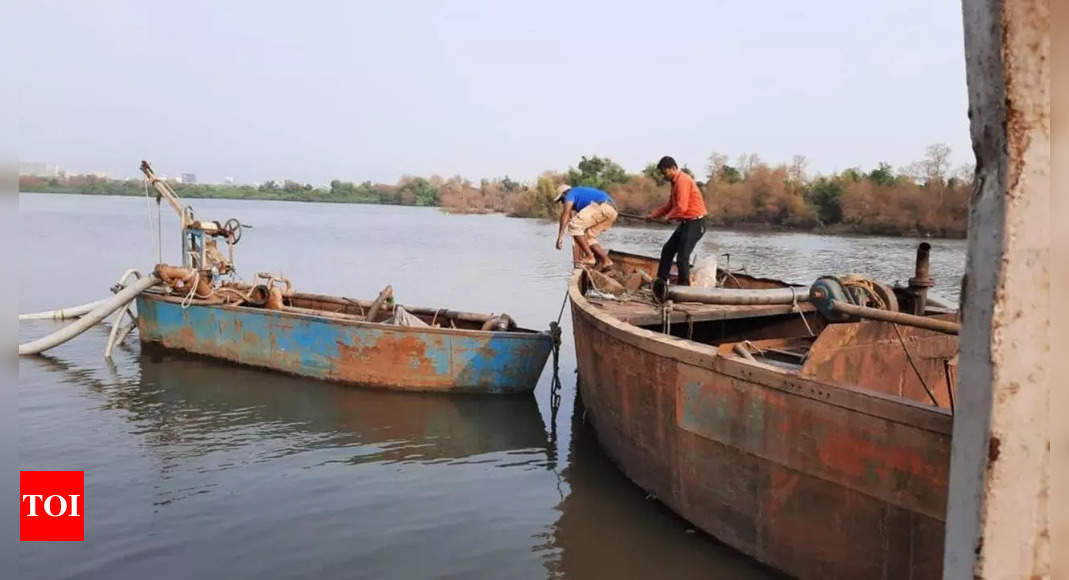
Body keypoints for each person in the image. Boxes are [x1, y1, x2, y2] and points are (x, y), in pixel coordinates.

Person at [649, 156, 707, 285]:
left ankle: (684, 288)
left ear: (673, 168)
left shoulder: (683, 181)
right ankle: (661, 283)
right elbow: (670, 204)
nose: (663, 175)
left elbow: (681, 207)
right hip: (686, 223)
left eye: (665, 172)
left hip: (696, 223)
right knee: (668, 250)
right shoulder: (675, 182)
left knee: (682, 257)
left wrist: (668, 217)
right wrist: (654, 215)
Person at [554, 184, 618, 270]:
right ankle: (606, 261)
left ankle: (590, 257)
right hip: (612, 211)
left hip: (603, 206)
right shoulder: (580, 195)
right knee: (587, 237)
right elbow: (572, 217)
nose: (562, 203)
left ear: (564, 193)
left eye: (561, 200)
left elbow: (565, 214)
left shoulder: (570, 193)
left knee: (574, 226)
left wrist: (560, 237)